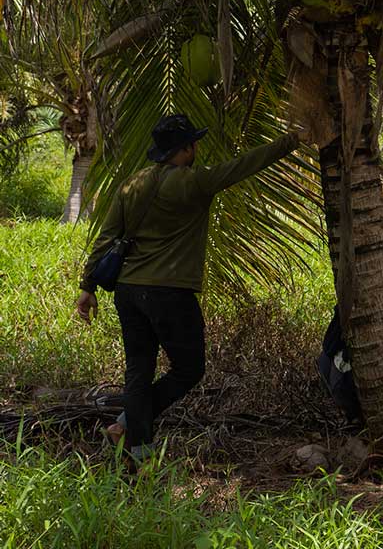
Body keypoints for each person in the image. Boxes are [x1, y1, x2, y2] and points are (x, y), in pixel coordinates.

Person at [76, 114, 304, 464]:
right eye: (193, 143)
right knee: (189, 369)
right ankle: (128, 427)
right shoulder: (195, 182)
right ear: (186, 148)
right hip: (170, 292)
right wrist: (292, 140)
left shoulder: (131, 184)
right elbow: (245, 164)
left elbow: (106, 237)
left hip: (128, 290)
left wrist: (87, 286)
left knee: (138, 370)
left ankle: (136, 448)